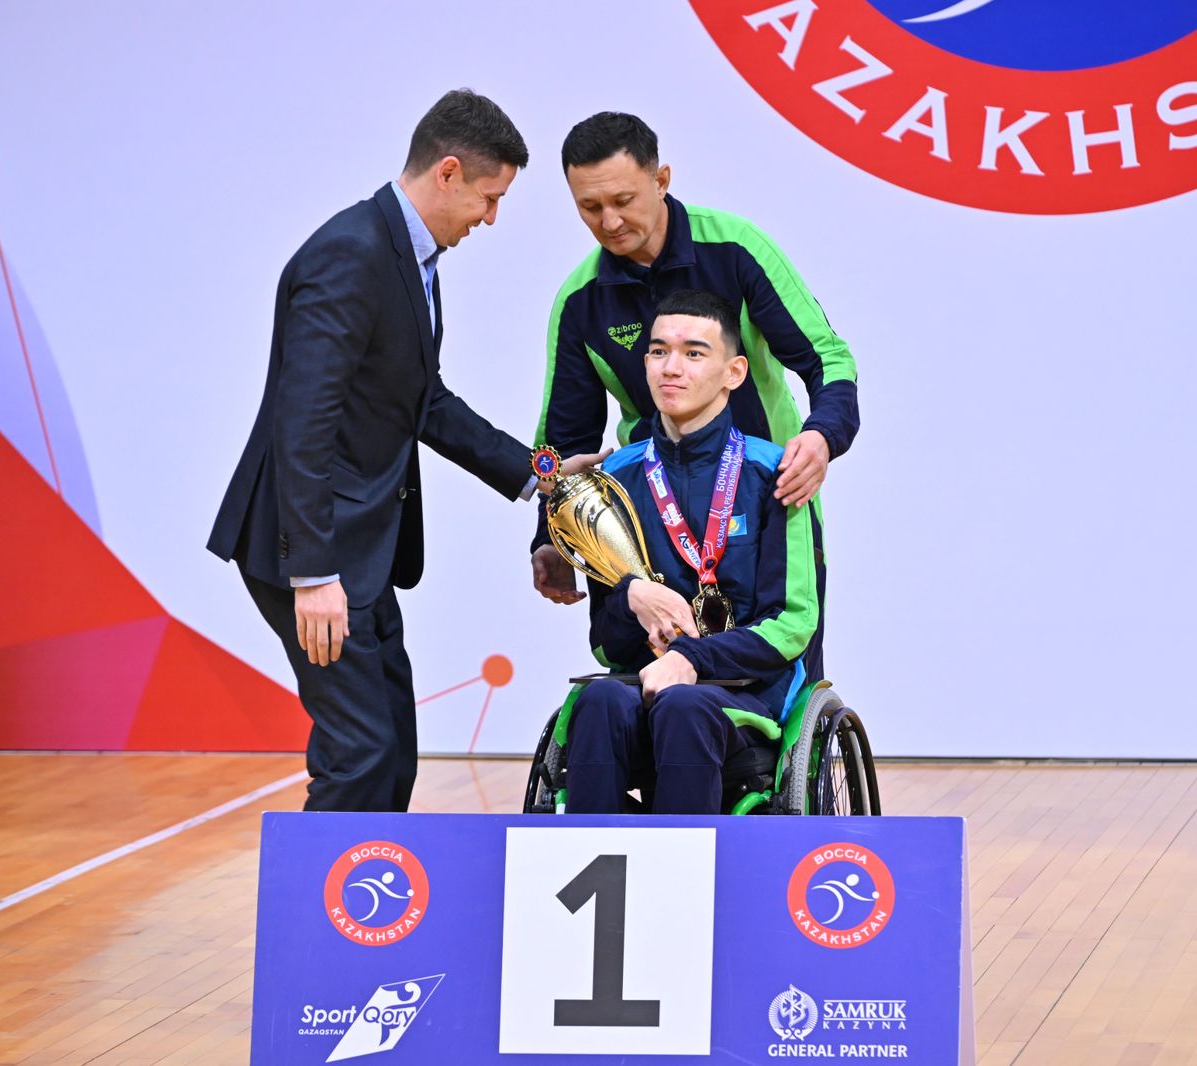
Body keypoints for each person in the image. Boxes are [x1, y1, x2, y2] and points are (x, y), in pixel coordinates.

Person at [207, 89, 603, 812]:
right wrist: (312, 573)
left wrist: (541, 474)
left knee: (390, 744)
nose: (491, 217)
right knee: (359, 752)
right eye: (489, 197)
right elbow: (303, 422)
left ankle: (372, 882)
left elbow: (425, 401)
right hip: (312, 549)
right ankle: (324, 889)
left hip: (361, 547)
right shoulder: (350, 254)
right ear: (447, 172)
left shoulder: (410, 255)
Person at [531, 111, 858, 608]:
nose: (610, 222)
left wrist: (822, 436)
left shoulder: (735, 249)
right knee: (646, 658)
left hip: (769, 499)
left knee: (780, 649)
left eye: (623, 201)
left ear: (661, 180)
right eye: (590, 207)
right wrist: (550, 535)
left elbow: (827, 359)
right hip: (646, 522)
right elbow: (564, 438)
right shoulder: (580, 301)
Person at [563, 289, 822, 815]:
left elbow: (794, 622)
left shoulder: (777, 474)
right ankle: (586, 863)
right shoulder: (615, 480)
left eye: (694, 353)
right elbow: (607, 646)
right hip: (645, 682)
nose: (671, 368)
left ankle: (682, 866)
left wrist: (692, 657)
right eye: (658, 351)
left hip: (744, 694)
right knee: (598, 700)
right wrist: (630, 597)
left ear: (734, 372)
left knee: (685, 706)